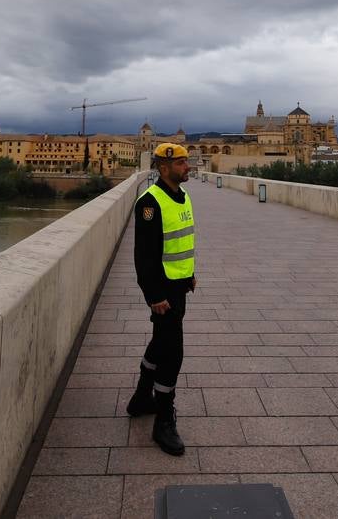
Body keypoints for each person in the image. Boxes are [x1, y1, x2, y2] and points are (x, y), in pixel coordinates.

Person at [126, 143, 196, 456]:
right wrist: (153, 295)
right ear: (163, 167)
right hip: (163, 291)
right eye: (181, 163)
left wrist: (189, 275)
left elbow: (182, 241)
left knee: (159, 342)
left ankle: (142, 398)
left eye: (187, 162)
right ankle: (163, 420)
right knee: (172, 352)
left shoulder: (183, 196)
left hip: (179, 285)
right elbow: (145, 257)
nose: (187, 167)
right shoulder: (150, 203)